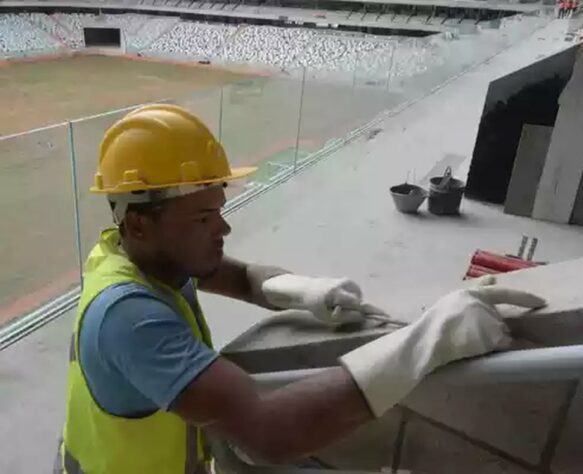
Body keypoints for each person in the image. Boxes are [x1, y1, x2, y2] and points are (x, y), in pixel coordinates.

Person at [56, 104, 546, 473]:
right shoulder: (130, 320)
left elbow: (239, 275)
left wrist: (304, 291)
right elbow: (268, 433)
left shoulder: (132, 254)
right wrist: (426, 341)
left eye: (218, 210)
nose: (222, 229)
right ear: (140, 225)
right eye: (203, 217)